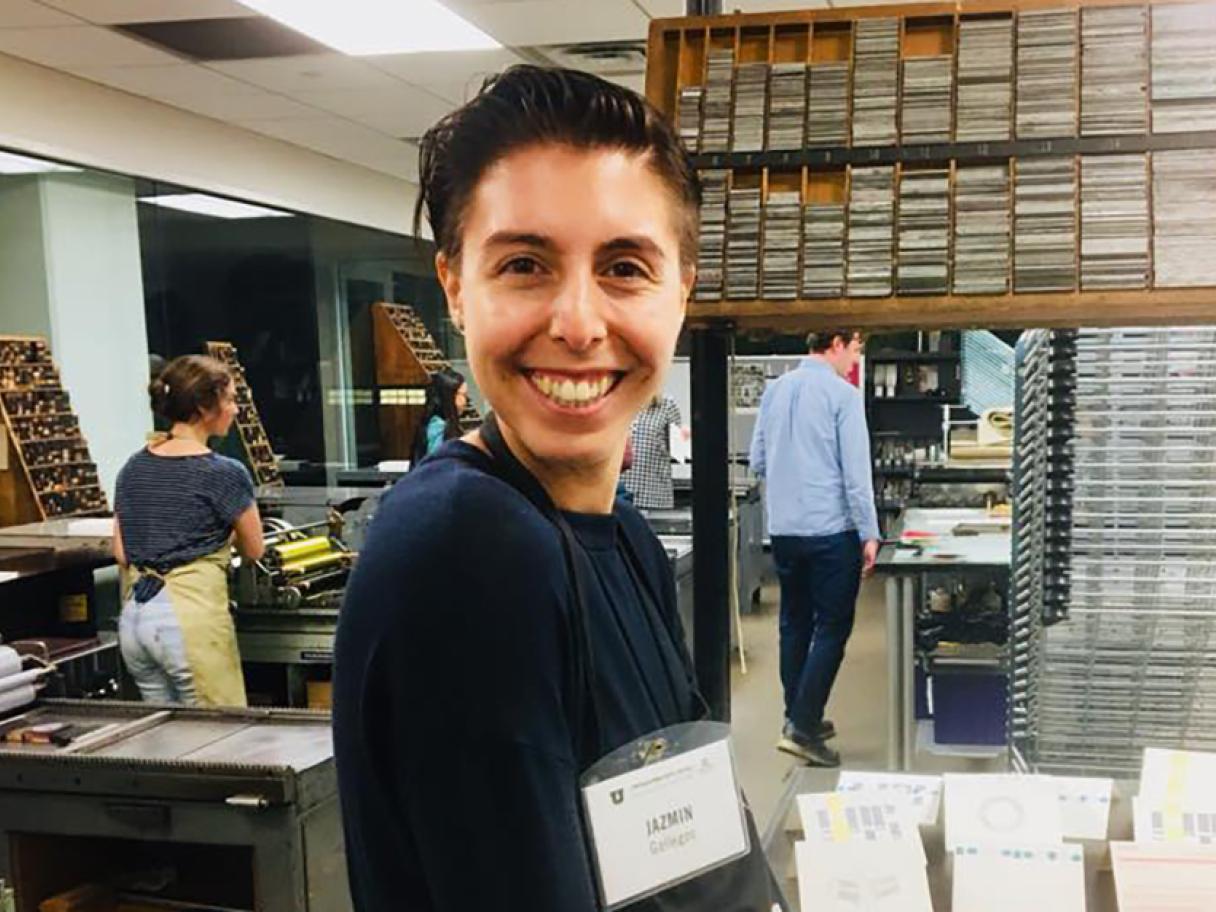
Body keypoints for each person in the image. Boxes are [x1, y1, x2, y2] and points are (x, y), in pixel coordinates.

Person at [333, 66, 783, 911]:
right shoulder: (468, 552)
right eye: (526, 263)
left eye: (623, 266)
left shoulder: (625, 541)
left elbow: (690, 839)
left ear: (681, 292)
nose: (578, 323)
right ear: (456, 289)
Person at [748, 330, 880, 768]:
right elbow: (856, 475)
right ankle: (803, 727)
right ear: (837, 343)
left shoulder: (775, 390)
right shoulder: (842, 397)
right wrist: (870, 532)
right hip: (830, 531)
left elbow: (758, 461)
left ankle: (798, 714)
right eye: (857, 349)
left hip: (785, 531)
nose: (855, 360)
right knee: (832, 629)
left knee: (794, 624)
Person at [112, 354, 264, 706]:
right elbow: (254, 549)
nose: (235, 409)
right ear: (203, 406)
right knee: (215, 742)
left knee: (166, 745)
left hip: (136, 619)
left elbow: (121, 553)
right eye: (230, 399)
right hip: (188, 623)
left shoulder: (133, 467)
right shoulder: (224, 472)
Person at [621, 393, 685, 509]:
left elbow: (679, 450)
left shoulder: (666, 405)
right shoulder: (614, 402)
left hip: (653, 496)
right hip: (618, 495)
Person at [411, 368, 468, 463]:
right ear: (450, 396)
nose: (465, 401)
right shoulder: (437, 427)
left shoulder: (440, 424)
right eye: (463, 395)